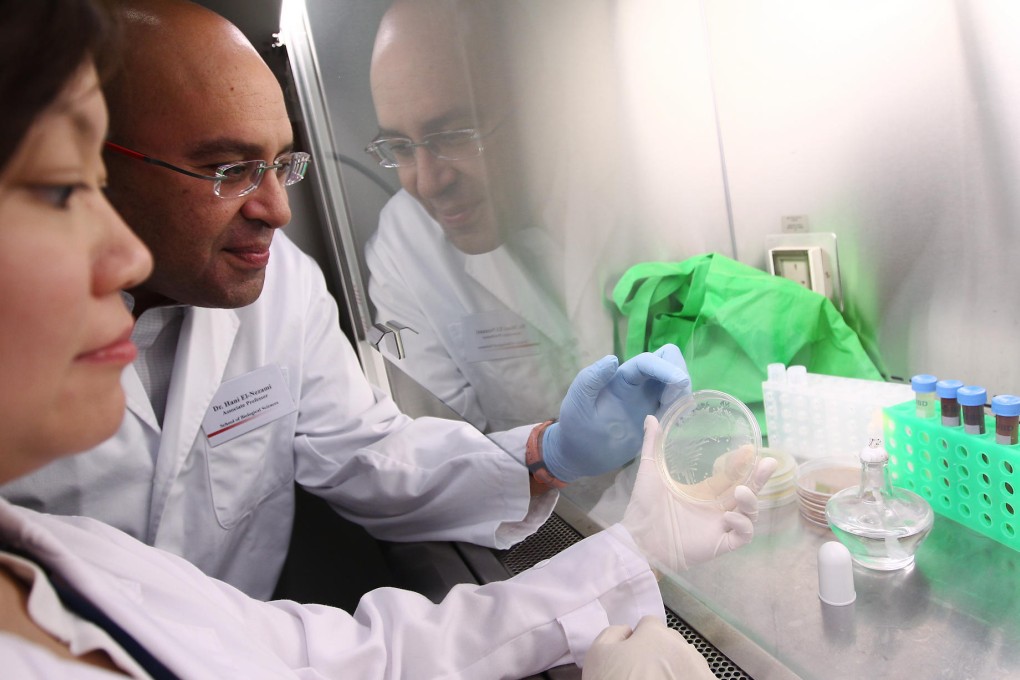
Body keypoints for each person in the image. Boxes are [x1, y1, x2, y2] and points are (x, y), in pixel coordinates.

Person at [0, 4, 768, 675]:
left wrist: (548, 454)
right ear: (105, 170)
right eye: (228, 168)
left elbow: (367, 476)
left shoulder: (280, 289)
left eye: (281, 164)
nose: (273, 207)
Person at [365, 0, 624, 432]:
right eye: (401, 147)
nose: (428, 183)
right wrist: (546, 462)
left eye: (454, 135)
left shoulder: (634, 188)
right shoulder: (404, 244)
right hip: (536, 500)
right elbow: (441, 446)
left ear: (535, 110)